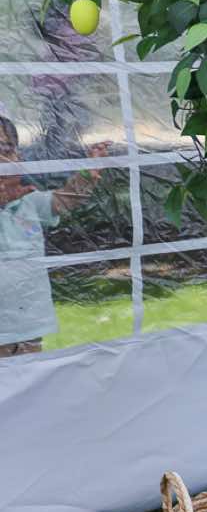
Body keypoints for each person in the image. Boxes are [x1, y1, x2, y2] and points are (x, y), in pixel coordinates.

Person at [0, 110, 111, 356]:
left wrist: (87, 174)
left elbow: (62, 200)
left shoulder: (28, 202)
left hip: (29, 324)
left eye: (7, 150)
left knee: (30, 377)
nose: (3, 159)